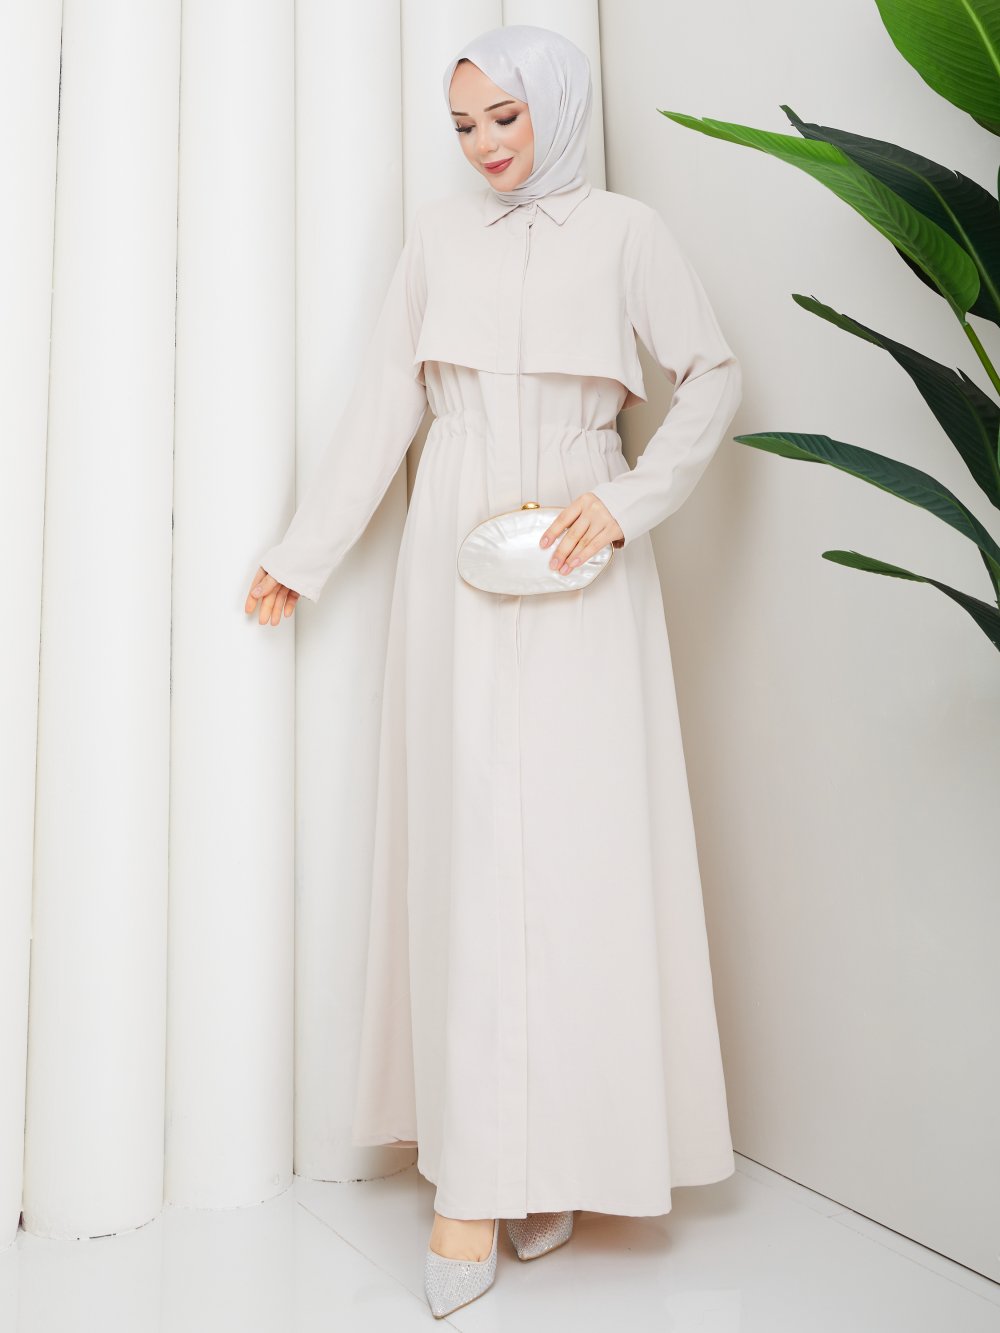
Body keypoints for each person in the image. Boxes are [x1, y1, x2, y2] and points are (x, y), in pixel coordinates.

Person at [245, 23, 743, 1320]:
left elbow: (712, 376)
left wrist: (625, 502)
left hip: (582, 547)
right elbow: (384, 403)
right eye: (465, 125)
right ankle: (471, 1177)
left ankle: (557, 1151)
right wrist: (304, 551)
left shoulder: (628, 233)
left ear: (556, 108)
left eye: (506, 118)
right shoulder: (438, 237)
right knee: (471, 853)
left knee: (577, 858)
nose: (485, 146)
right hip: (453, 550)